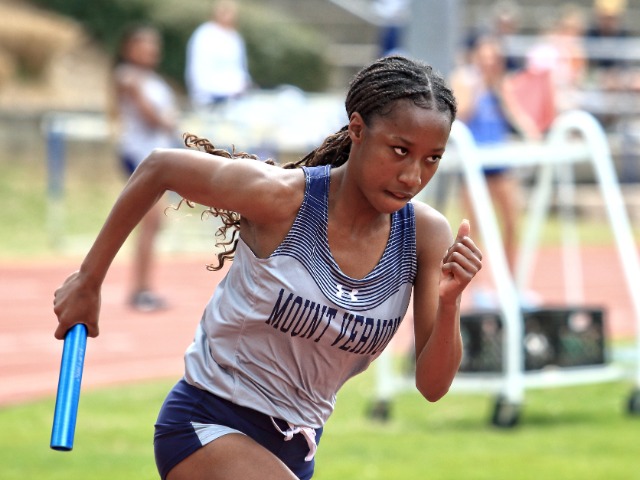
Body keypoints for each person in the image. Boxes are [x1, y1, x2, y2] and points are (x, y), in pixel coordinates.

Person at [54, 55, 483, 480]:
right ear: (357, 130)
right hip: (208, 424)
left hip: (296, 451)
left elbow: (433, 386)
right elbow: (160, 167)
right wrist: (89, 283)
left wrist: (450, 303)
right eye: (400, 151)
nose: (412, 176)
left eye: (432, 159)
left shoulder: (424, 236)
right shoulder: (283, 200)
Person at [451, 33, 541, 307]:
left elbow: (515, 116)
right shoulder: (464, 80)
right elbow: (461, 113)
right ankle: (475, 290)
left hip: (500, 165)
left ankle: (512, 286)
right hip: (473, 164)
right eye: (485, 57)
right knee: (472, 229)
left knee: (513, 222)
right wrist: (480, 85)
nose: (490, 62)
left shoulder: (501, 85)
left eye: (494, 58)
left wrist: (534, 135)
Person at [112, 24, 179, 311]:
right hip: (139, 157)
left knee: (154, 223)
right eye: (143, 45)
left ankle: (143, 286)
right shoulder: (127, 76)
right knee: (151, 221)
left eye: (153, 46)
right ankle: (140, 289)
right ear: (129, 48)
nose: (149, 51)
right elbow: (154, 118)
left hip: (158, 158)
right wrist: (167, 120)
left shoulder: (155, 81)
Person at [185, 0, 252, 109]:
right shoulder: (205, 35)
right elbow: (199, 71)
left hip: (235, 97)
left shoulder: (235, 37)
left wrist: (244, 85)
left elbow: (240, 68)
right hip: (212, 98)